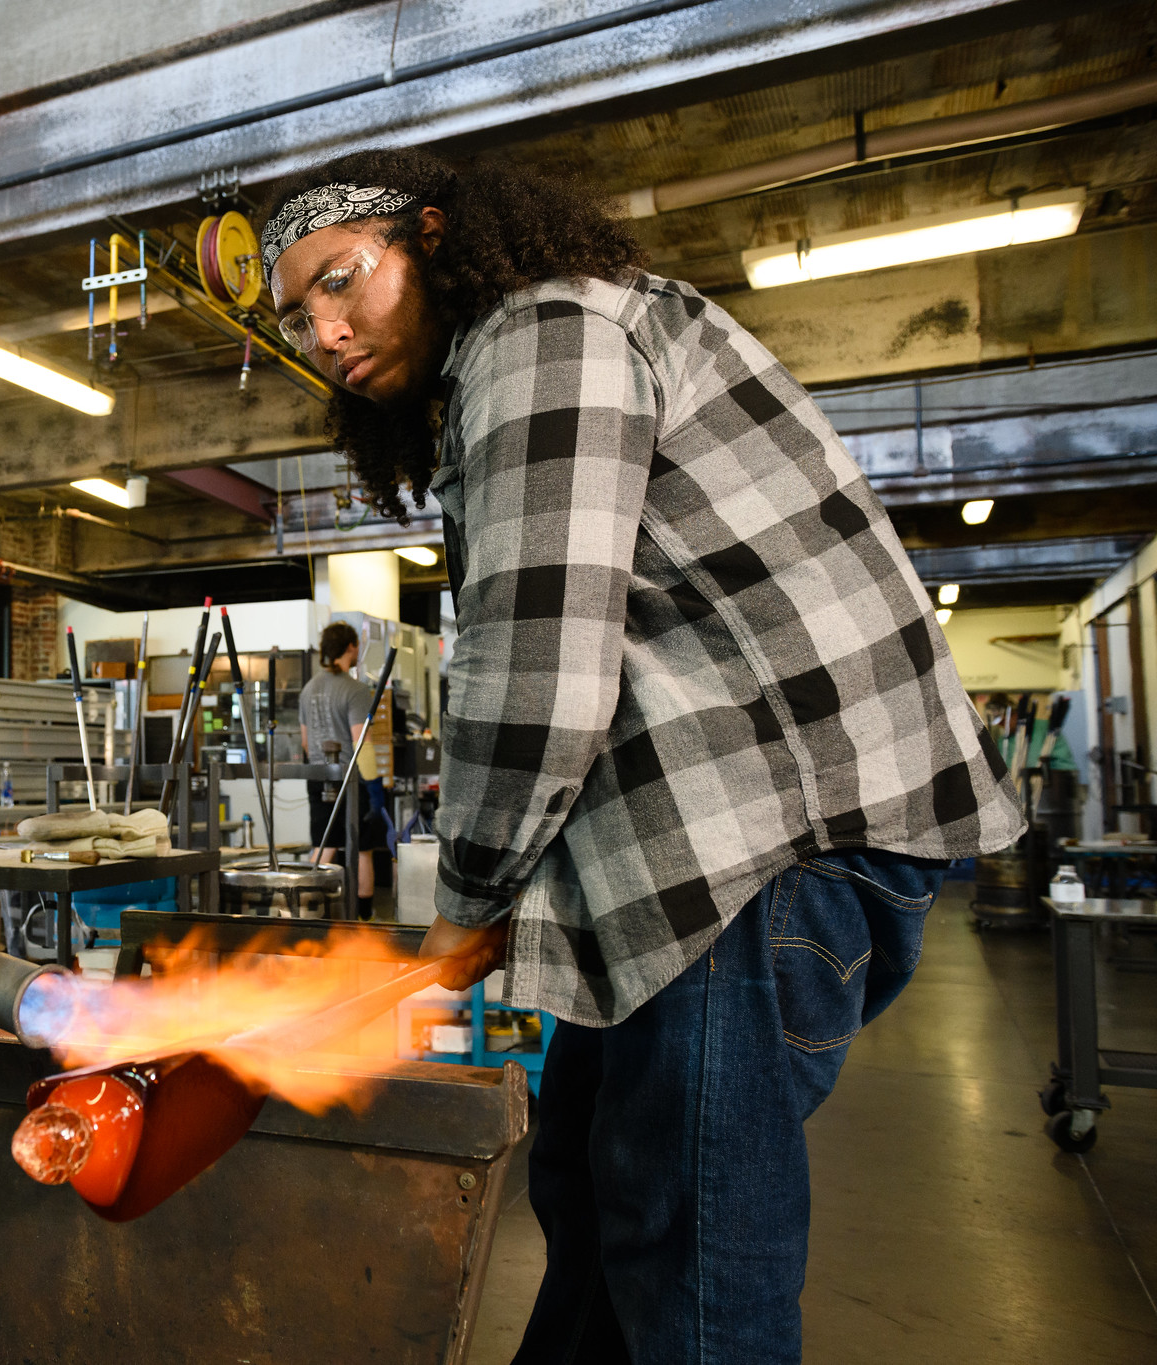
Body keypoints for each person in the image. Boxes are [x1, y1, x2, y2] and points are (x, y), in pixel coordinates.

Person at [260, 149, 1022, 1363]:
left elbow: (538, 669)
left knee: (692, 1274)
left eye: (340, 281)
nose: (325, 330)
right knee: (590, 1191)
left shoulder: (539, 333)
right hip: (697, 858)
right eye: (295, 315)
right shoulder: (524, 358)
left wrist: (461, 913)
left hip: (758, 850)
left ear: (436, 238)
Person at [298, 620, 388, 909]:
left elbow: (306, 744)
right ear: (351, 647)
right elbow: (362, 743)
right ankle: (364, 919)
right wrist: (375, 789)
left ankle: (303, 909)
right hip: (350, 780)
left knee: (323, 846)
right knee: (362, 850)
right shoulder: (356, 690)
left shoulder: (308, 689)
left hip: (317, 776)